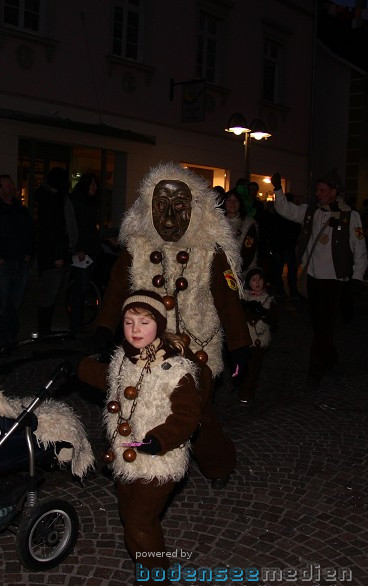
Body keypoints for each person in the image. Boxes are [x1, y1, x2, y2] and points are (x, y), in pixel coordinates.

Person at [93, 162, 250, 489]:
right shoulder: (136, 248)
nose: (169, 219)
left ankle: (218, 463)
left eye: (180, 208)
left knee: (198, 415)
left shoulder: (209, 250)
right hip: (146, 349)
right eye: (161, 207)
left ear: (196, 209)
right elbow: (114, 292)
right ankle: (145, 472)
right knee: (141, 410)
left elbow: (228, 301)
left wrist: (239, 345)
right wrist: (104, 328)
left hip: (198, 351)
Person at [77, 291, 202, 586]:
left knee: (140, 520)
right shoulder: (123, 358)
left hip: (160, 459)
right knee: (130, 514)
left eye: (144, 322)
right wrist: (77, 366)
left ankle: (155, 584)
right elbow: (111, 380)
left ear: (158, 325)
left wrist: (159, 439)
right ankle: (145, 567)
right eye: (129, 321)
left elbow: (187, 417)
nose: (135, 329)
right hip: (126, 453)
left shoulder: (176, 372)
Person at [271, 169, 367, 385]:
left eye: (323, 190)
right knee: (318, 324)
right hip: (313, 277)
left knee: (324, 325)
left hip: (335, 280)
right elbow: (285, 210)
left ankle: (315, 368)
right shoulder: (311, 212)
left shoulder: (351, 216)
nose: (318, 193)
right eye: (317, 190)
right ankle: (331, 357)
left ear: (334, 192)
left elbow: (360, 248)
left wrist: (357, 277)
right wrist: (278, 190)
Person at [0, 174, 33, 351]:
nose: (11, 186)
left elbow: (30, 233)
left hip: (20, 262)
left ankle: (11, 336)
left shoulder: (21, 209)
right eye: (7, 184)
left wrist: (27, 254)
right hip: (2, 263)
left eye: (12, 183)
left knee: (15, 302)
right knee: (2, 301)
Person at [34, 167, 74, 335]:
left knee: (51, 293)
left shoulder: (53, 198)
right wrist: (57, 256)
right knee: (49, 294)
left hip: (53, 255)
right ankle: (44, 330)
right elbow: (51, 231)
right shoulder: (50, 200)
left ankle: (45, 328)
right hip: (52, 256)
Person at [237, 267, 278, 404]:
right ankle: (241, 387)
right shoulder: (244, 298)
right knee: (243, 366)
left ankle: (247, 393)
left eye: (260, 279)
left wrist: (263, 313)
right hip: (245, 339)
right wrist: (247, 309)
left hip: (259, 340)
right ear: (249, 283)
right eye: (254, 279)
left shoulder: (268, 300)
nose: (258, 282)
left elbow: (274, 320)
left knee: (253, 367)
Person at [69, 173, 102, 334]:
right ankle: (76, 325)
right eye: (92, 185)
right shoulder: (77, 202)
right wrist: (78, 248)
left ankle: (79, 324)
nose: (95, 188)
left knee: (85, 287)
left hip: (91, 249)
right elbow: (77, 228)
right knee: (80, 289)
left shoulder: (90, 203)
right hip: (82, 251)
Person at [222, 188, 258, 272]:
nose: (232, 203)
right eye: (229, 200)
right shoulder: (217, 223)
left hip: (241, 269)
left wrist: (237, 270)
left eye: (236, 201)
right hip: (221, 269)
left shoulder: (248, 225)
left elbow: (249, 251)